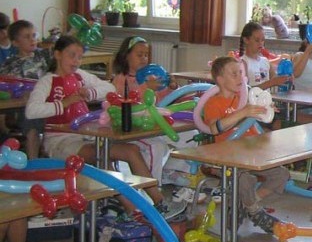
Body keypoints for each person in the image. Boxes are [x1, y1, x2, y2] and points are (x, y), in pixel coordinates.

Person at [24, 36, 181, 220]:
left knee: (130, 150)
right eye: (71, 55)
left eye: (79, 57)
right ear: (57, 54)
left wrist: (90, 93)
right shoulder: (48, 81)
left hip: (85, 136)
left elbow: (108, 87)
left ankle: (159, 202)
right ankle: (134, 211)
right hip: (61, 141)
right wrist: (65, 102)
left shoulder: (80, 76)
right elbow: (31, 111)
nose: (76, 61)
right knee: (103, 161)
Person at [203, 56, 289, 233]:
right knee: (244, 179)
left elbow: (259, 119)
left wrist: (266, 110)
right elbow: (214, 129)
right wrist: (243, 112)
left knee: (282, 174)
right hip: (229, 158)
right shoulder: (213, 103)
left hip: (251, 153)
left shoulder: (246, 98)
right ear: (220, 80)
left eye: (241, 73)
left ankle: (247, 204)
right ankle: (255, 211)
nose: (240, 78)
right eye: (234, 74)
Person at [111, 36, 177, 184]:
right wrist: (146, 87)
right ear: (126, 56)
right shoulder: (121, 79)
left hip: (154, 124)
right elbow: (126, 104)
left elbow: (164, 101)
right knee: (156, 147)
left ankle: (168, 172)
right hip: (134, 129)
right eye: (139, 55)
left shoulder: (151, 77)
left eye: (146, 55)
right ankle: (152, 189)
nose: (144, 59)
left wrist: (171, 86)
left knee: (190, 136)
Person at [0, 20, 52, 158]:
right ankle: (33, 162)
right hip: (25, 106)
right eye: (27, 37)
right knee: (32, 121)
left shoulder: (44, 56)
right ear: (15, 42)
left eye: (34, 35)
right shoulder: (10, 64)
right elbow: (7, 88)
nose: (32, 40)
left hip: (49, 101)